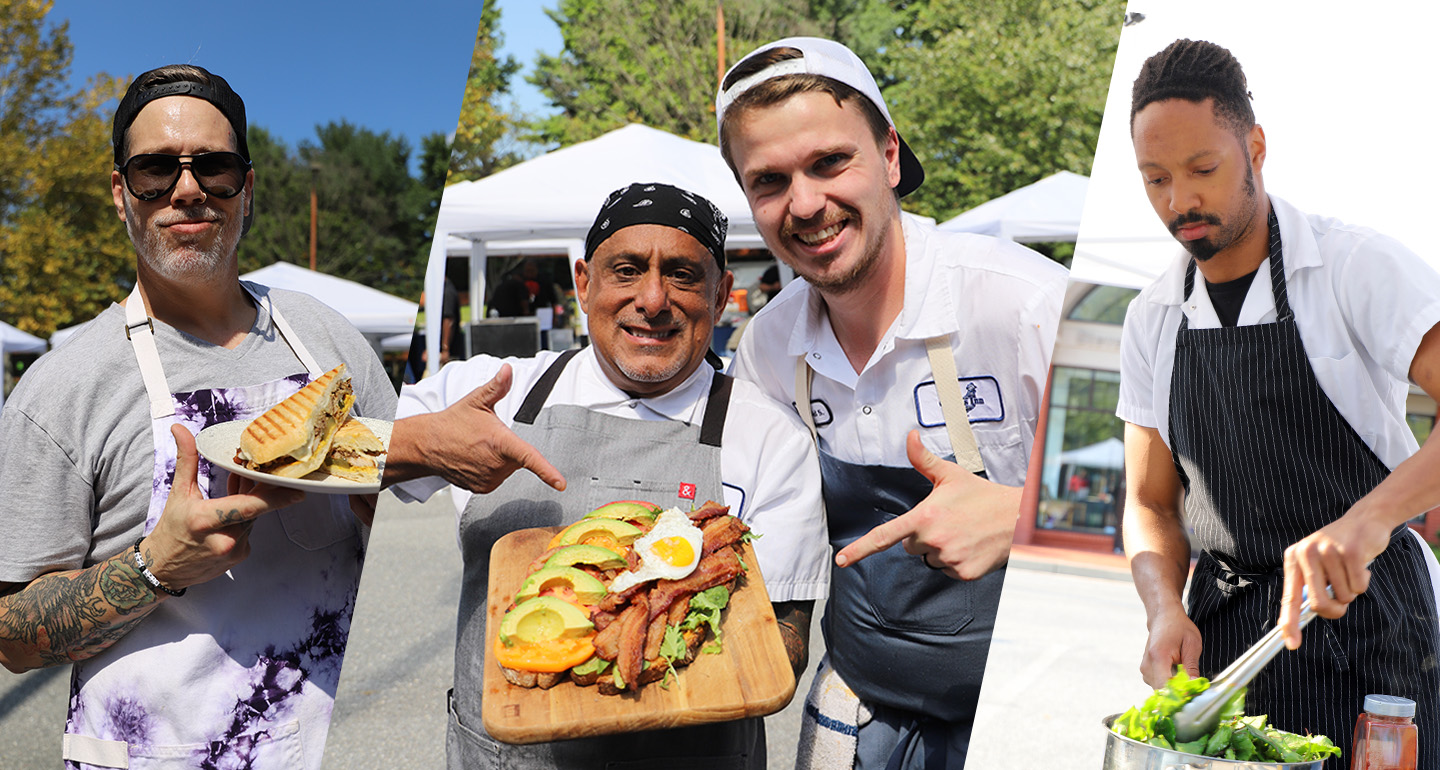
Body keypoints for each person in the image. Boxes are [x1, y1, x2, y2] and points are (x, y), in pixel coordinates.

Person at [0, 65, 396, 768]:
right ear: (122, 195)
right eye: (155, 169)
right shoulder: (63, 388)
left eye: (214, 167)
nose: (188, 190)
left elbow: (410, 515)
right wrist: (155, 567)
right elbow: (10, 636)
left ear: (247, 188)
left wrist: (375, 495)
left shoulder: (326, 335)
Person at [383, 182, 829, 769]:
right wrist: (419, 442)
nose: (653, 299)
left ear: (721, 296)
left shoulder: (769, 436)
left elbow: (784, 650)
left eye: (683, 275)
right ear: (584, 283)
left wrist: (643, 648)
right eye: (626, 270)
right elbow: (325, 457)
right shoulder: (496, 390)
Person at [715, 37, 1066, 769]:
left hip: (1034, 717)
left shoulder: (1029, 307)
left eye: (829, 162)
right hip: (862, 714)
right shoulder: (766, 349)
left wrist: (1022, 517)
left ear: (891, 158)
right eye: (769, 181)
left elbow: (1182, 500)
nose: (806, 203)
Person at [1116, 39, 1440, 764]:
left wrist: (1371, 519)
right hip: (1226, 639)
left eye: (1203, 170)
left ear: (1255, 147)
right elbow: (1150, 502)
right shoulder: (1152, 318)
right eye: (1156, 179)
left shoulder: (1353, 266)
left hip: (1372, 629)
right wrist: (1163, 606)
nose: (1180, 202)